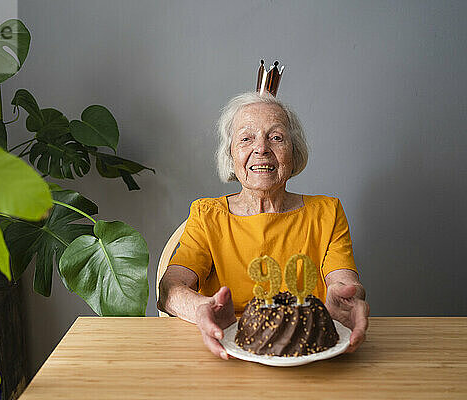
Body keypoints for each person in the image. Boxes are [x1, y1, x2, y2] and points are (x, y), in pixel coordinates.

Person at [157, 91, 370, 360]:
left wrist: (348, 298)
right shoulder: (207, 215)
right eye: (246, 139)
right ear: (230, 154)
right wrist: (202, 307)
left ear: (293, 151)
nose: (261, 149)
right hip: (225, 353)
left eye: (276, 138)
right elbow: (170, 288)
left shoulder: (327, 212)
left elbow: (343, 280)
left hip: (310, 356)